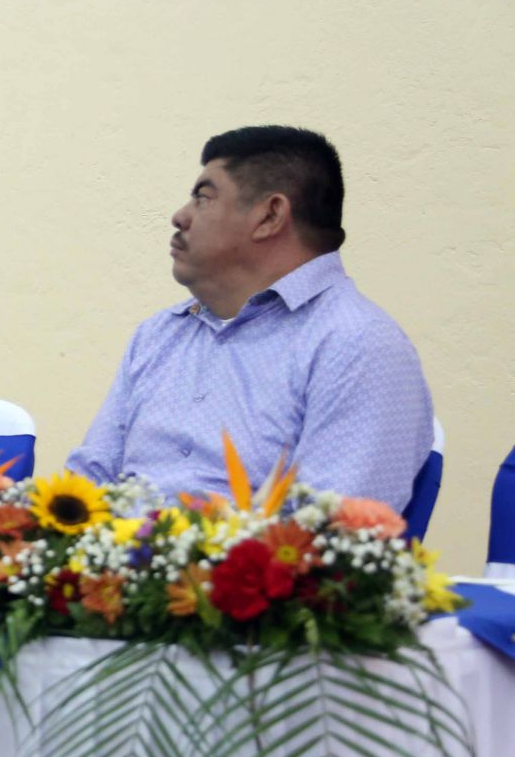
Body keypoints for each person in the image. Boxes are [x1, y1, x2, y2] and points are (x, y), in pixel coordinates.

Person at [65, 126, 433, 510]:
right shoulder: (160, 334)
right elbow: (87, 484)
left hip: (241, 569)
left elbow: (331, 536)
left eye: (203, 198)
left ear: (269, 216)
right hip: (114, 563)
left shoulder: (358, 345)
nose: (179, 216)